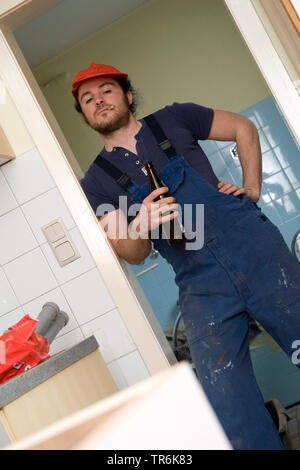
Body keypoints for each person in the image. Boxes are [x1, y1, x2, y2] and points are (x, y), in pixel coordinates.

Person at [72, 62, 300, 450]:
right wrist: (140, 222)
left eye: (106, 90)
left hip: (256, 252)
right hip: (199, 283)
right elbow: (132, 253)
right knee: (224, 398)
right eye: (87, 99)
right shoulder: (94, 184)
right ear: (86, 115)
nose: (99, 100)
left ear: (127, 95)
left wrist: (252, 188)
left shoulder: (176, 117)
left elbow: (243, 128)